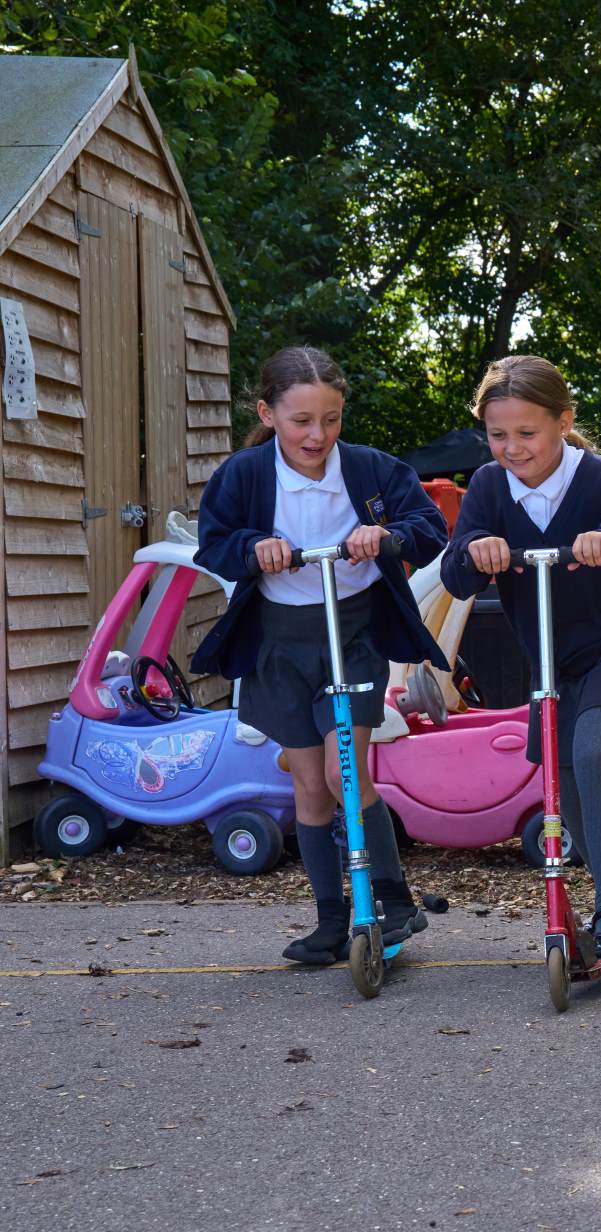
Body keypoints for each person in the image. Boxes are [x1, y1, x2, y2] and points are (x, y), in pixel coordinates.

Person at [193, 346, 450, 963]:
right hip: (279, 641)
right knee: (309, 785)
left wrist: (386, 536)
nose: (317, 435)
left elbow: (428, 528)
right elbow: (214, 543)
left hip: (353, 631)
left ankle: (393, 900)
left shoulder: (371, 470)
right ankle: (332, 918)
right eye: (302, 420)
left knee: (344, 773)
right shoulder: (246, 475)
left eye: (330, 420)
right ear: (268, 414)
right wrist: (254, 547)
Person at [441, 355, 601, 954]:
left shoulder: (600, 479)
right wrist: (475, 550)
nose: (512, 448)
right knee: (568, 777)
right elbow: (454, 574)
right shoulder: (488, 487)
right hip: (550, 664)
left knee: (594, 749)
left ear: (564, 421)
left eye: (527, 433)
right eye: (498, 435)